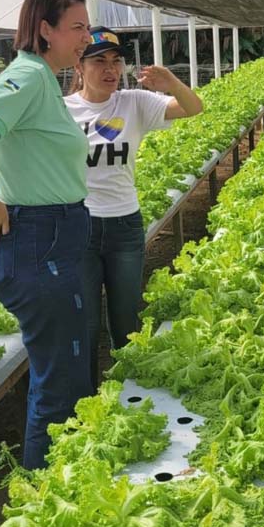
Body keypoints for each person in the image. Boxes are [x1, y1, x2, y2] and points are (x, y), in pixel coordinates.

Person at [0, 0, 93, 470]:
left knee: (65, 371)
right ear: (45, 30)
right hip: (38, 243)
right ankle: (43, 490)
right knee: (59, 382)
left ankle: (61, 479)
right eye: (77, 27)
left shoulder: (45, 80)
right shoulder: (30, 75)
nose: (86, 37)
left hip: (50, 241)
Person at [64, 26, 203, 386]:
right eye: (99, 61)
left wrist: (171, 82)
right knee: (85, 321)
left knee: (125, 318)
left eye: (116, 61)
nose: (110, 69)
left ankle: (125, 393)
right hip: (79, 226)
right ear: (79, 67)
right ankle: (88, 395)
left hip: (124, 225)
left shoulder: (134, 102)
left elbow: (193, 107)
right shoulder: (62, 110)